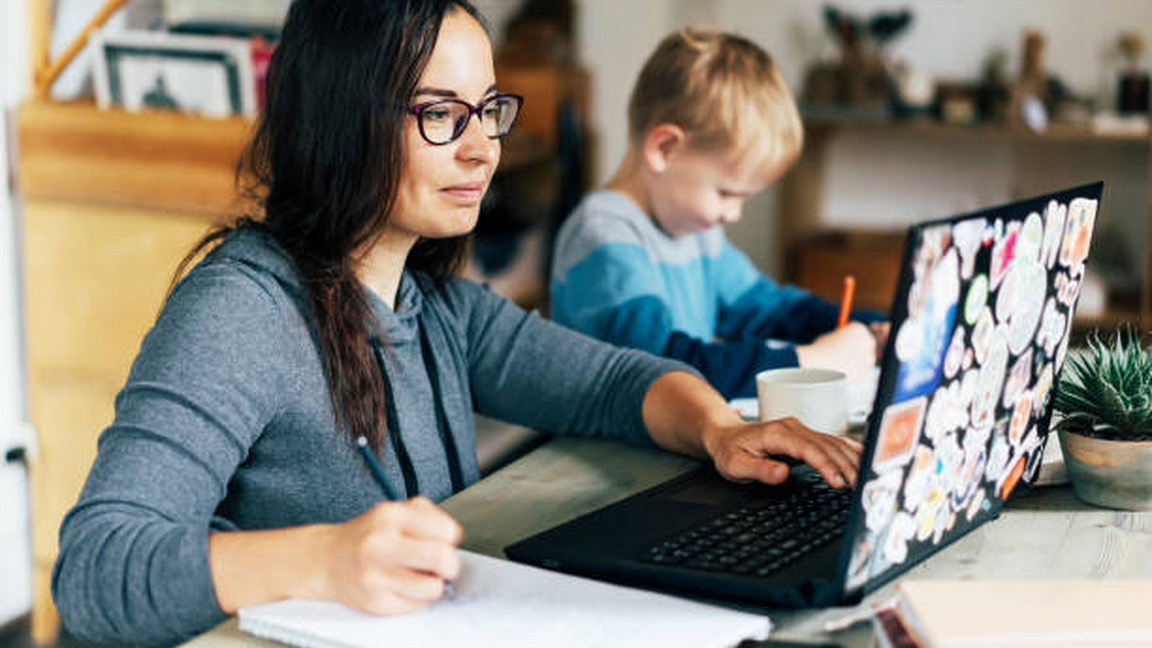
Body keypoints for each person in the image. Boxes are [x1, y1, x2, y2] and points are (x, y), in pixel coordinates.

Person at [51, 2, 862, 645]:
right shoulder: (240, 310)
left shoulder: (435, 305)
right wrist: (322, 558)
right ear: (342, 119)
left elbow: (615, 380)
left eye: (488, 111)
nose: (483, 151)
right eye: (442, 114)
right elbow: (94, 571)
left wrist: (718, 430)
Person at [550, 28, 888, 400]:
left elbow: (769, 309)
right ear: (665, 148)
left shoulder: (694, 230)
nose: (734, 214)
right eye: (726, 192)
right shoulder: (603, 238)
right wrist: (808, 361)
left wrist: (871, 327)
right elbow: (667, 368)